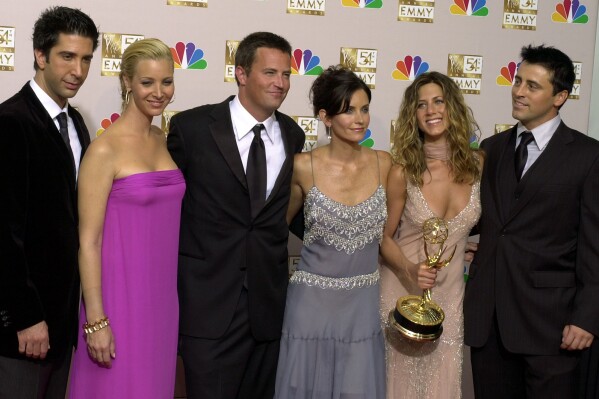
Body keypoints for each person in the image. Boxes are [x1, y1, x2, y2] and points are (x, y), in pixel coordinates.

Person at [167, 31, 305, 399]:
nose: (280, 83)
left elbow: (290, 213)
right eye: (270, 73)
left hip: (267, 308)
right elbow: (164, 213)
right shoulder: (192, 129)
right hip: (207, 306)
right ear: (241, 73)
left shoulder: (293, 135)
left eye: (286, 74)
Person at [464, 44, 599, 398]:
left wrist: (587, 317)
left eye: (533, 86)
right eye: (518, 80)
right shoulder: (491, 149)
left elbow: (595, 247)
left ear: (560, 97)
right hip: (489, 320)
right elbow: (481, 218)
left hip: (551, 324)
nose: (519, 91)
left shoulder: (589, 156)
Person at [68, 38, 185, 398]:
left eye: (166, 81)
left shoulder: (162, 139)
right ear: (126, 82)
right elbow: (88, 241)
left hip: (162, 302)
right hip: (117, 301)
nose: (159, 92)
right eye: (147, 82)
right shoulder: (104, 149)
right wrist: (96, 321)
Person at [274, 65, 391, 399]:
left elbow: (395, 234)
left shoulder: (385, 164)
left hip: (362, 307)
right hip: (310, 308)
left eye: (364, 109)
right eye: (348, 110)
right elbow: (272, 231)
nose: (359, 119)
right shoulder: (302, 166)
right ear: (325, 117)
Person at [0, 7, 98, 398]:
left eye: (87, 58)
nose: (78, 70)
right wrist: (26, 318)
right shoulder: (11, 121)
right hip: (24, 330)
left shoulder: (76, 123)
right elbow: (4, 233)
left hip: (63, 322)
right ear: (41, 56)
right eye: (67, 56)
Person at [379, 71, 482, 399]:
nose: (431, 110)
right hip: (402, 292)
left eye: (438, 101)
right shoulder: (402, 171)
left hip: (450, 299)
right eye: (421, 105)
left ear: (452, 107)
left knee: (441, 385)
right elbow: (383, 237)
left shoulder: (479, 165)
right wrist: (410, 270)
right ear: (413, 116)